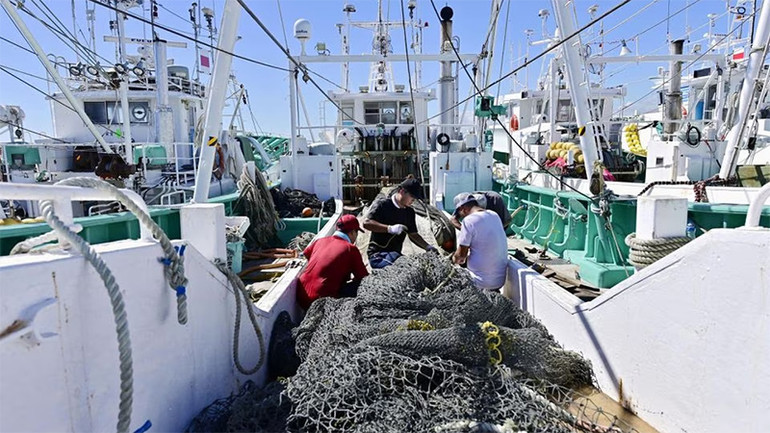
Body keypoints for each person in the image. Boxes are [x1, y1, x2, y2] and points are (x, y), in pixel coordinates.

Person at [296, 214, 369, 310]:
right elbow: (363, 277)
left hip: (301, 295)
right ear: (352, 232)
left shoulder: (319, 241)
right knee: (365, 286)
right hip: (322, 300)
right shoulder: (350, 248)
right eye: (356, 233)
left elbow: (307, 254)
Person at [363, 177, 435, 268]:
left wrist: (427, 247)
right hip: (377, 255)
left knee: (412, 268)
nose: (413, 200)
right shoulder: (382, 205)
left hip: (395, 255)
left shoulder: (409, 212)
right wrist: (389, 229)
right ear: (401, 191)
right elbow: (367, 223)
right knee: (400, 268)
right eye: (412, 197)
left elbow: (413, 234)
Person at [451, 193, 509, 291]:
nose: (461, 215)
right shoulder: (494, 215)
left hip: (479, 282)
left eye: (459, 213)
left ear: (462, 208)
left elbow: (460, 257)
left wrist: (453, 258)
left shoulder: (468, 220)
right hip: (499, 281)